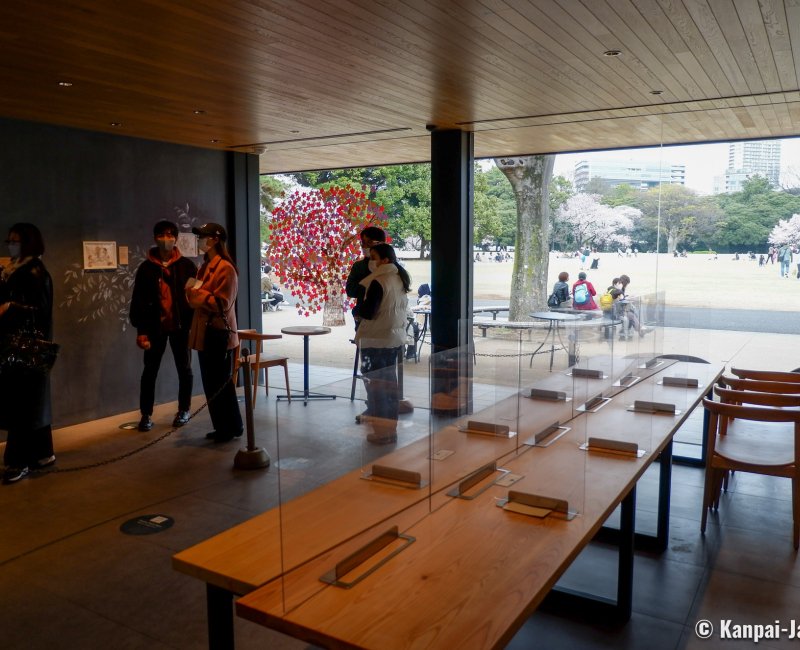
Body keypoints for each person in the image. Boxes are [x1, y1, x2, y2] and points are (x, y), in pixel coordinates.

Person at [129, 220, 197, 432]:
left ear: (176, 238)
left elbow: (195, 298)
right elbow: (138, 301)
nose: (166, 238)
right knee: (149, 371)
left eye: (170, 234)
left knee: (184, 369)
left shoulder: (187, 266)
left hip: (180, 327)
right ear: (155, 237)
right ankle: (146, 414)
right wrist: (141, 331)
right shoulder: (146, 268)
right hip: (154, 328)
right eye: (162, 234)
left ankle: (184, 409)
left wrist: (193, 325)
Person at [0, 223, 55, 484]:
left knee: (20, 404)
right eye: (9, 240)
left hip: (24, 347)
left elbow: (40, 311)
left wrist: (11, 308)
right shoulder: (15, 269)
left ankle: (16, 461)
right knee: (32, 401)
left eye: (16, 241)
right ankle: (43, 453)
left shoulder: (34, 271)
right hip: (21, 346)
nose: (11, 245)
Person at [186, 223, 243, 443]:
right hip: (205, 332)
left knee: (221, 383)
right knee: (211, 383)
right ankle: (222, 427)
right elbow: (193, 297)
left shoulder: (225, 268)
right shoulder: (205, 266)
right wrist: (195, 294)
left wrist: (196, 294)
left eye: (203, 237)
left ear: (215, 239)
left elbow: (222, 303)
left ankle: (232, 427)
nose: (200, 240)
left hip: (217, 333)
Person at [355, 243, 411, 445]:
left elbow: (369, 312)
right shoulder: (399, 278)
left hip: (376, 339)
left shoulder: (379, 281)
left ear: (385, 260)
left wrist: (357, 310)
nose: (371, 260)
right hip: (393, 339)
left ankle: (381, 432)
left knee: (376, 387)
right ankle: (390, 429)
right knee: (389, 385)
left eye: (373, 256)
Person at [345, 226, 386, 324]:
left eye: (369, 243)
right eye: (363, 243)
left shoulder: (392, 266)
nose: (365, 246)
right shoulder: (358, 266)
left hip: (386, 316)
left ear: (381, 243)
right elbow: (350, 291)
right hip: (364, 317)